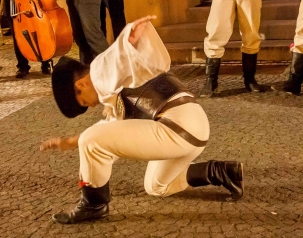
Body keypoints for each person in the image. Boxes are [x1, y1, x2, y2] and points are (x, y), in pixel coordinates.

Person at [40, 15, 243, 224]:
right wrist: (71, 141)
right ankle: (219, 171)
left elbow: (116, 56)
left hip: (177, 127)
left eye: (83, 102)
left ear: (81, 84)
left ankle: (94, 206)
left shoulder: (101, 72)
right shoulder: (113, 86)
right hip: (192, 128)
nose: (91, 106)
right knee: (156, 187)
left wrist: (130, 37)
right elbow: (112, 130)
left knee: (91, 139)